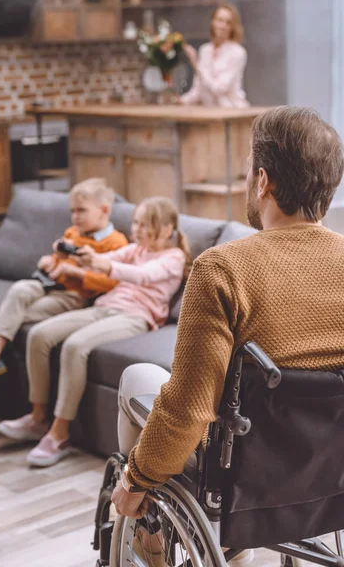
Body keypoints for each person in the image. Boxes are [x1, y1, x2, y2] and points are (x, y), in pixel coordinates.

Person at [111, 106, 344, 567]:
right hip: (329, 474)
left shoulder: (222, 268)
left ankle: (148, 535)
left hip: (242, 475)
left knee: (137, 376)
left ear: (263, 181)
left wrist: (135, 479)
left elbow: (187, 409)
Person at [0, 196, 192, 468]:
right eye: (135, 222)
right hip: (105, 307)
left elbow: (143, 275)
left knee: (75, 347)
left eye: (145, 224)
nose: (136, 229)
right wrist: (79, 254)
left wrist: (105, 266)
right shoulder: (134, 248)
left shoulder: (173, 257)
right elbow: (105, 258)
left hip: (135, 316)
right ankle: (38, 417)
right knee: (39, 334)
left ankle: (60, 433)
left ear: (167, 229)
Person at [0, 178, 128, 406]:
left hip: (74, 297)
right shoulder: (72, 233)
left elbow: (112, 282)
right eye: (72, 211)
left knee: (9, 317)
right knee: (20, 289)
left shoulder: (116, 243)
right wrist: (50, 261)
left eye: (81, 211)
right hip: (48, 285)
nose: (75, 217)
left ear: (104, 210)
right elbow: (55, 261)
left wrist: (76, 272)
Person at [180, 3, 249, 108]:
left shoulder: (237, 52)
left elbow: (219, 88)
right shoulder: (205, 50)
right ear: (213, 21)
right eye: (220, 20)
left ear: (233, 27)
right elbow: (198, 88)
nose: (223, 26)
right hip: (211, 111)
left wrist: (196, 64)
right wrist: (181, 101)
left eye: (228, 22)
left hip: (233, 110)